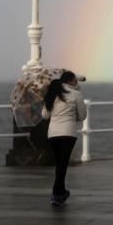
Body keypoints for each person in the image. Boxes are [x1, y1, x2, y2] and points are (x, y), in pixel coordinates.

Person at [42, 70, 86, 206]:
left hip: (53, 133)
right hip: (68, 133)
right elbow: (82, 116)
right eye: (75, 80)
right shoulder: (76, 94)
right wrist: (73, 117)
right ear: (72, 81)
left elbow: (45, 115)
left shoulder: (53, 93)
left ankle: (60, 192)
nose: (77, 83)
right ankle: (57, 194)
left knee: (59, 164)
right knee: (63, 164)